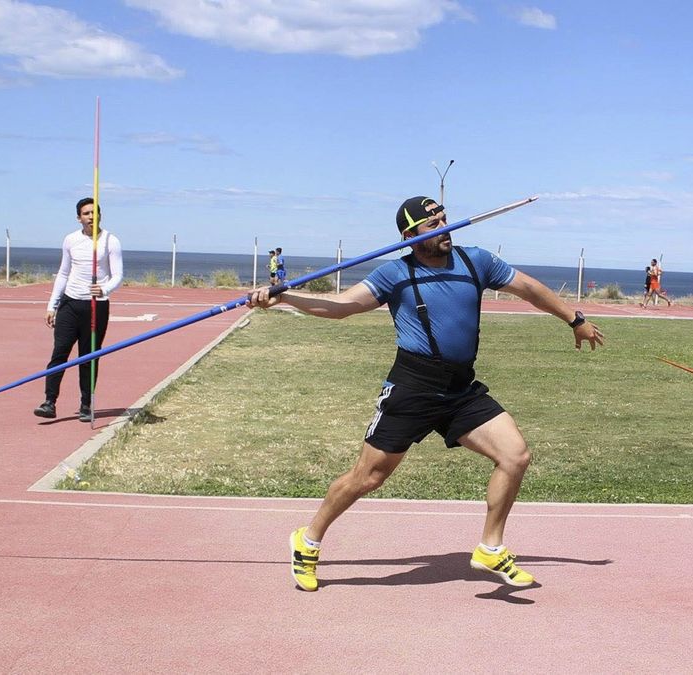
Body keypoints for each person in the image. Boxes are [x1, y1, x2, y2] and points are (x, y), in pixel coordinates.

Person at [247, 195, 604, 592]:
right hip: (413, 388)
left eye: (445, 220)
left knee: (515, 455)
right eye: (433, 224)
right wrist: (283, 297)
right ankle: (308, 539)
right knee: (367, 478)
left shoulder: (476, 261)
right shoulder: (394, 274)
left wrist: (575, 319)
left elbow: (530, 288)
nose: (444, 228)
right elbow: (340, 307)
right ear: (410, 236)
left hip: (460, 388)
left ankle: (490, 547)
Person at [34, 197, 124, 422]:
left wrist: (103, 289)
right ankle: (49, 402)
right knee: (60, 352)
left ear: (100, 215)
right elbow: (63, 273)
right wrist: (52, 305)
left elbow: (118, 276)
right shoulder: (70, 240)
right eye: (86, 213)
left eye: (95, 213)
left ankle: (86, 404)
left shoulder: (110, 241)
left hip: (96, 306)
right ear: (79, 218)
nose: (91, 217)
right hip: (70, 304)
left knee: (89, 357)